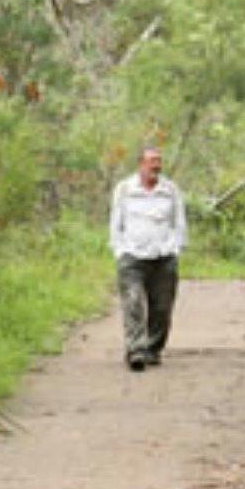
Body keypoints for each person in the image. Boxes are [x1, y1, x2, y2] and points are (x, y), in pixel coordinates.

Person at [109, 146, 185, 371]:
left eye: (159, 161)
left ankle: (153, 349)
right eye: (152, 161)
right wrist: (119, 250)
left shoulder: (170, 190)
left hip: (163, 256)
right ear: (141, 164)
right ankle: (136, 350)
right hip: (132, 256)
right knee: (133, 302)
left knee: (162, 308)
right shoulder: (125, 189)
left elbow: (179, 222)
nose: (156, 165)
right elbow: (116, 222)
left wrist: (176, 248)